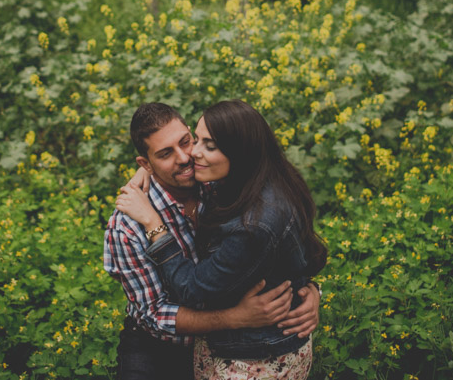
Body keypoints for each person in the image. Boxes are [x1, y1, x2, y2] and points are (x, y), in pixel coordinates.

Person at [104, 102, 320, 380]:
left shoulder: (217, 179)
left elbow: (280, 237)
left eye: (186, 142)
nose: (185, 158)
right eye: (165, 154)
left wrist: (308, 290)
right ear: (146, 164)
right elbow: (154, 314)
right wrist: (236, 317)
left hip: (233, 342)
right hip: (162, 344)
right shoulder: (127, 227)